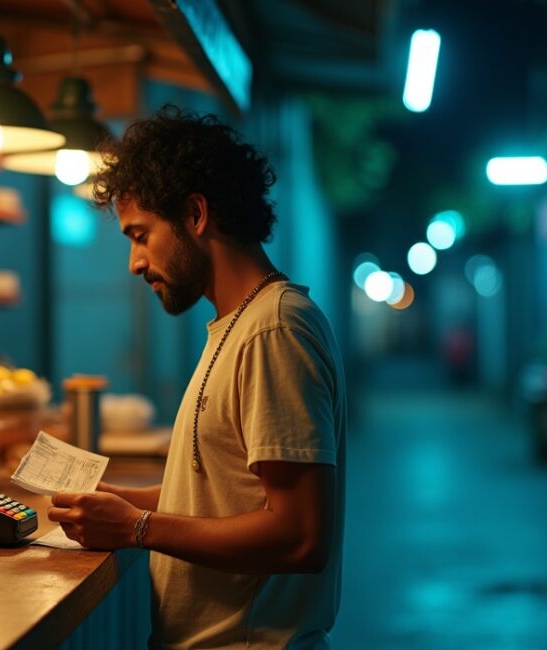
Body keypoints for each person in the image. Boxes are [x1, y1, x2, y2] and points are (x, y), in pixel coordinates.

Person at [47, 106, 347, 649]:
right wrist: (129, 499)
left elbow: (301, 535)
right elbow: (231, 492)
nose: (134, 263)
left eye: (140, 235)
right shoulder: (239, 324)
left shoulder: (272, 331)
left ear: (195, 214)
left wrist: (138, 530)